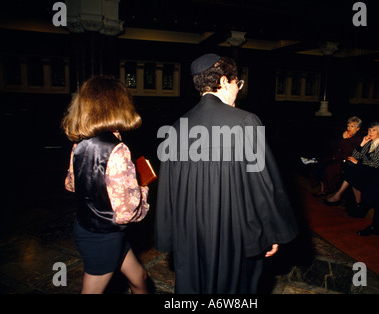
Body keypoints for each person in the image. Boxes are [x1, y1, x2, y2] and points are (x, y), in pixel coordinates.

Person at [154, 53, 299, 294]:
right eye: (237, 84)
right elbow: (264, 185)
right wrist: (272, 231)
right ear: (223, 82)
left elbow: (168, 189)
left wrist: (170, 234)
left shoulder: (178, 125)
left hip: (190, 234)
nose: (238, 90)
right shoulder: (245, 121)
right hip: (234, 234)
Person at [62, 75, 149, 294]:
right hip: (103, 237)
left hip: (86, 226)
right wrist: (142, 190)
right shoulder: (118, 150)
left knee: (140, 277)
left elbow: (71, 184)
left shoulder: (80, 142)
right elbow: (127, 212)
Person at [323, 121, 379, 208]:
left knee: (353, 170)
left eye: (373, 130)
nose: (370, 132)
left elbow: (376, 162)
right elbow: (355, 155)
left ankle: (345, 198)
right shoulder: (368, 142)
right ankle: (356, 202)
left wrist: (358, 162)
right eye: (369, 130)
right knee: (351, 169)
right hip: (368, 167)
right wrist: (362, 143)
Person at [312, 116, 363, 197]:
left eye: (352, 126)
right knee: (320, 165)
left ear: (358, 128)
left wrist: (344, 139)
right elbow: (334, 145)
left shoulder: (359, 138)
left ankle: (327, 190)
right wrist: (342, 138)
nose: (349, 128)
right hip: (335, 157)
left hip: (345, 160)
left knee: (329, 169)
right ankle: (322, 190)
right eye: (348, 125)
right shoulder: (345, 133)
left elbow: (350, 150)